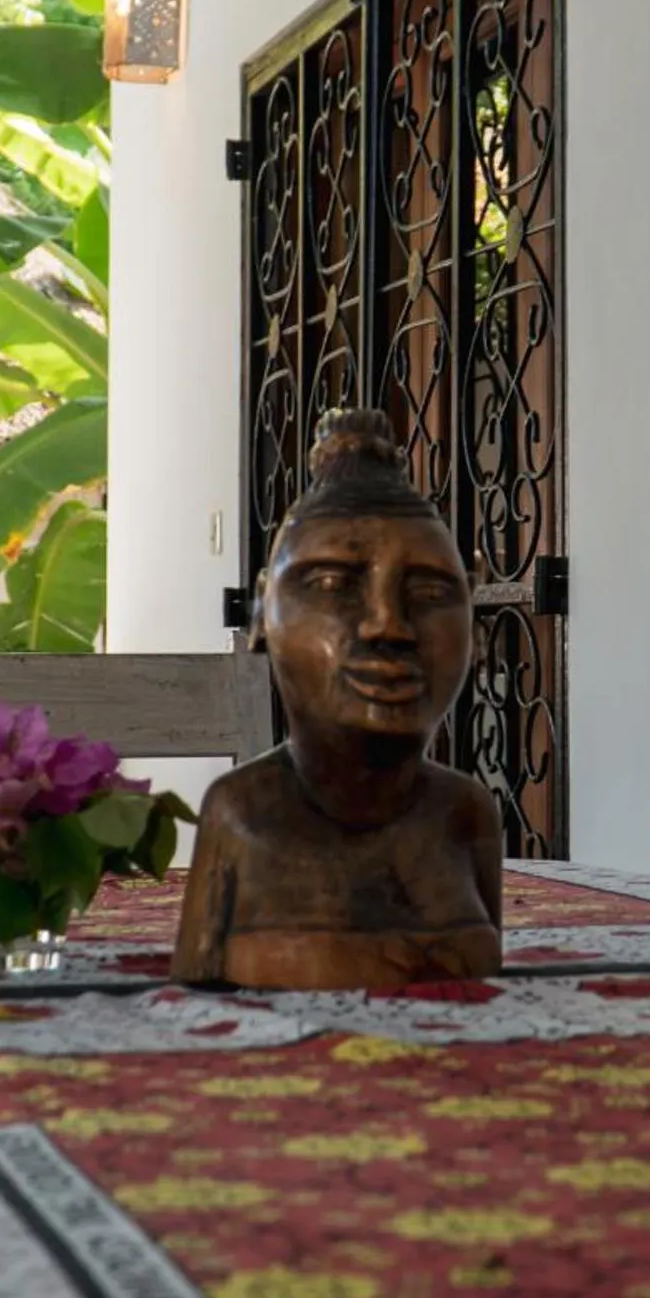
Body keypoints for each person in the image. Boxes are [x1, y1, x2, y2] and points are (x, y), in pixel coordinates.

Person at [172, 409, 504, 989]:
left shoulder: (465, 814)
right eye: (331, 585)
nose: (387, 626)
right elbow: (193, 1000)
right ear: (260, 613)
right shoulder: (241, 813)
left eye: (429, 592)